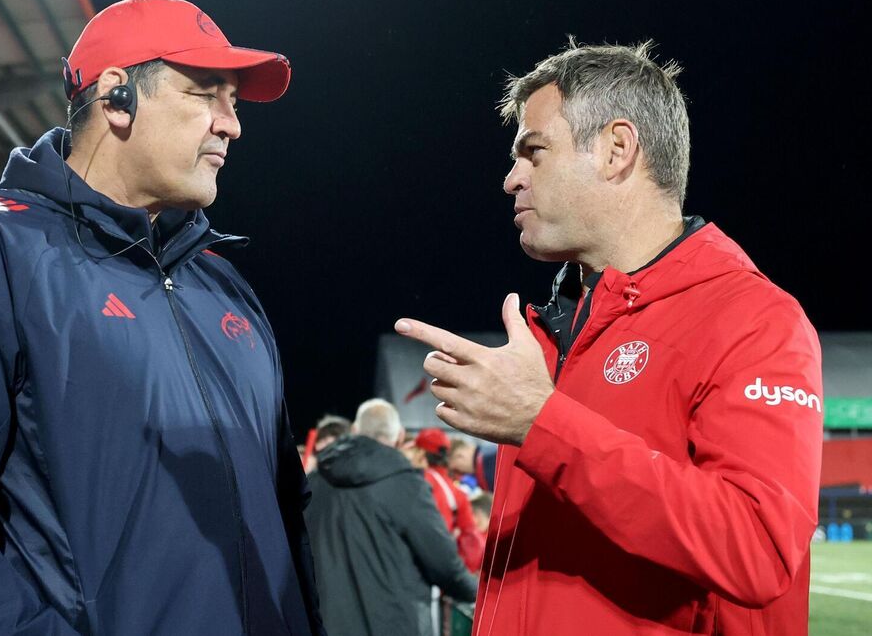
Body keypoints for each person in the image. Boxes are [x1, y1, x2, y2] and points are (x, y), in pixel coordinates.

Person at [0, 0, 322, 635]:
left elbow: (285, 527)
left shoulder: (226, 287)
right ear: (117, 97)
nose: (231, 125)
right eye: (208, 94)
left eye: (234, 102)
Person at [394, 40, 822, 634]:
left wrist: (543, 425)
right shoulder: (553, 331)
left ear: (617, 149)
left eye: (533, 152)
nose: (511, 179)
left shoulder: (752, 319)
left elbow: (758, 549)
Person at [306, 399, 477, 636]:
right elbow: (443, 563)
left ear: (355, 430)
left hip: (326, 623)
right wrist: (477, 592)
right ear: (400, 436)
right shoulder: (407, 484)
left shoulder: (314, 482)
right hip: (394, 624)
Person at [413, 427, 483, 573]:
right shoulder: (456, 492)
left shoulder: (415, 481)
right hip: (443, 567)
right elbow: (471, 541)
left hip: (416, 566)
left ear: (420, 453)